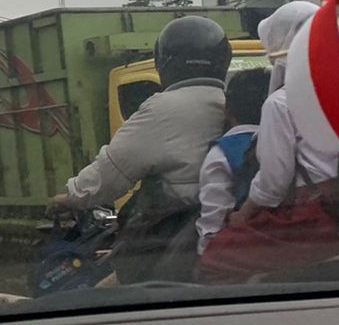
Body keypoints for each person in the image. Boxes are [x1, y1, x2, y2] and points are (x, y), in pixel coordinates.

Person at [52, 15, 231, 283]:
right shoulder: (236, 98)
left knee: (97, 298)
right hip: (240, 233)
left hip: (179, 240)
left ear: (165, 62)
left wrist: (70, 197)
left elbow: (112, 172)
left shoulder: (162, 108)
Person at [199, 2, 339, 284]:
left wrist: (242, 216)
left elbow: (273, 183)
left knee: (214, 261)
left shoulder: (283, 102)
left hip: (313, 219)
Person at [194, 68, 271, 256]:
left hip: (241, 255)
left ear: (227, 109)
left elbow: (213, 226)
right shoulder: (294, 142)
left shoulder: (221, 153)